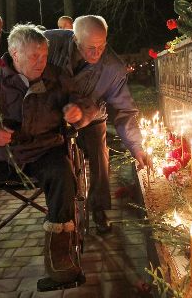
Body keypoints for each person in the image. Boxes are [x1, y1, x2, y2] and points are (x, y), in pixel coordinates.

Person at [0, 24, 95, 289]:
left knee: (63, 172)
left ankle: (59, 255)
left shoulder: (57, 76)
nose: (41, 62)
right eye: (33, 57)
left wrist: (78, 113)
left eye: (43, 56)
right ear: (14, 55)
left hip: (43, 150)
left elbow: (87, 103)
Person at [45, 15, 147, 234]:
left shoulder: (113, 68)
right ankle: (59, 208)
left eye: (102, 46)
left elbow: (123, 111)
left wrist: (136, 146)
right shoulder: (50, 43)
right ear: (75, 39)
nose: (96, 53)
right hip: (52, 112)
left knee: (100, 155)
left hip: (93, 114)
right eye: (90, 47)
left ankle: (99, 208)